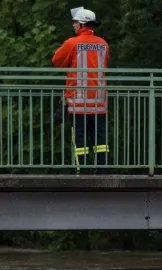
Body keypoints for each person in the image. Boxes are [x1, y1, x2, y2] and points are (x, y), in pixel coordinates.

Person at [52, 7, 110, 175]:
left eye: (75, 22)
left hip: (78, 101)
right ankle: (102, 169)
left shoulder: (72, 43)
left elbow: (57, 61)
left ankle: (83, 170)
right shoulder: (103, 44)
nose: (74, 24)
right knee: (100, 137)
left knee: (80, 137)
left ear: (82, 24)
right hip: (99, 101)